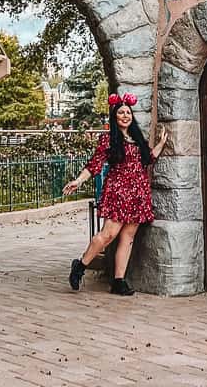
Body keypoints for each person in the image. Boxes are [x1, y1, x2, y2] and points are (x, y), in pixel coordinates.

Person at [63, 92, 167, 296]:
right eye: (121, 113)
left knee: (128, 237)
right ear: (115, 116)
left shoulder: (137, 139)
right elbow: (94, 165)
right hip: (118, 191)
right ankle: (81, 265)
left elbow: (146, 160)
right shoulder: (108, 139)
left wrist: (161, 144)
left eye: (128, 112)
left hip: (138, 192)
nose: (125, 116)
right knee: (108, 234)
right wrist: (78, 180)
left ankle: (119, 281)